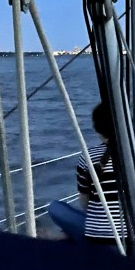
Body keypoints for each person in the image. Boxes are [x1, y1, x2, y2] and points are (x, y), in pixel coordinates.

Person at [48, 103, 123, 247]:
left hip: (99, 239)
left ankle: (66, 235)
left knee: (55, 208)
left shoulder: (89, 157)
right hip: (134, 238)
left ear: (97, 129)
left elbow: (85, 203)